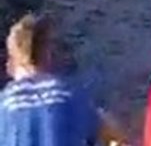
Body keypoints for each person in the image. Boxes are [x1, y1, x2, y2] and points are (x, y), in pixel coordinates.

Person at [0, 14, 127, 146]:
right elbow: (116, 138)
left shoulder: (3, 104)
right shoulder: (72, 95)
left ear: (10, 64)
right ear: (48, 55)